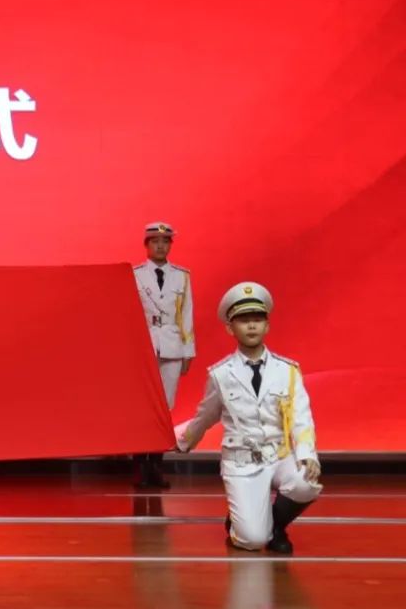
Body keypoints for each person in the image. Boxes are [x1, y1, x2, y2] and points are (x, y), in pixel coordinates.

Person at [175, 282, 321, 554]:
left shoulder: (287, 370)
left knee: (307, 481)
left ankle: (276, 527)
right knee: (252, 541)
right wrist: (183, 441)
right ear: (230, 328)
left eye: (257, 319)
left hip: (278, 455)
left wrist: (307, 454)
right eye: (243, 320)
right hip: (242, 461)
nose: (252, 326)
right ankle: (245, 524)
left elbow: (301, 415)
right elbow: (205, 416)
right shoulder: (221, 374)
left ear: (267, 325)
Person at [133, 221, 195, 488]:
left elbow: (186, 314)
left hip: (171, 345)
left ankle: (156, 466)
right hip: (144, 344)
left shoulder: (181, 276)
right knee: (142, 408)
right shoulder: (135, 275)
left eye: (165, 242)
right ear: (146, 245)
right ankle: (140, 467)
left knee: (165, 409)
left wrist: (188, 351)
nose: (160, 246)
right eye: (155, 242)